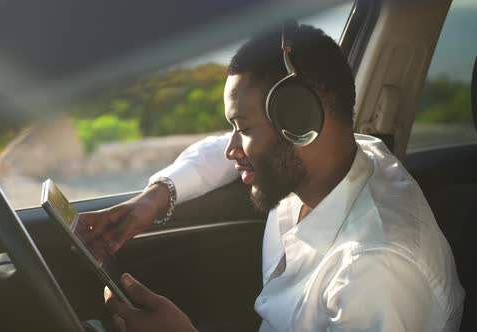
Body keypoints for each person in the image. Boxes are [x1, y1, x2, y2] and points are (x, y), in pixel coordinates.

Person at [75, 23, 464, 332]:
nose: (231, 149)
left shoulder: (375, 273)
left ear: (300, 123)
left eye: (242, 128)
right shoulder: (342, 155)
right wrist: (152, 200)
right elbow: (217, 152)